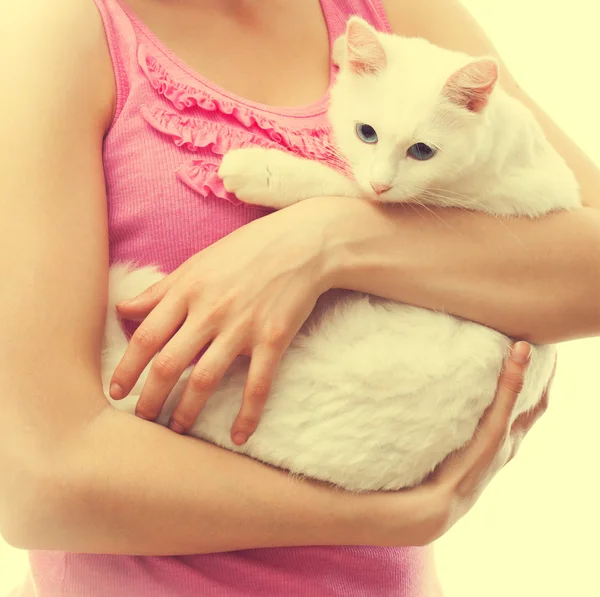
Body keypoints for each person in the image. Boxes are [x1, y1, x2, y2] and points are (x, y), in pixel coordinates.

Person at [0, 0, 598, 595]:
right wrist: (384, 518)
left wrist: (325, 238)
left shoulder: (391, 9)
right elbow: (38, 483)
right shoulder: (60, 29)